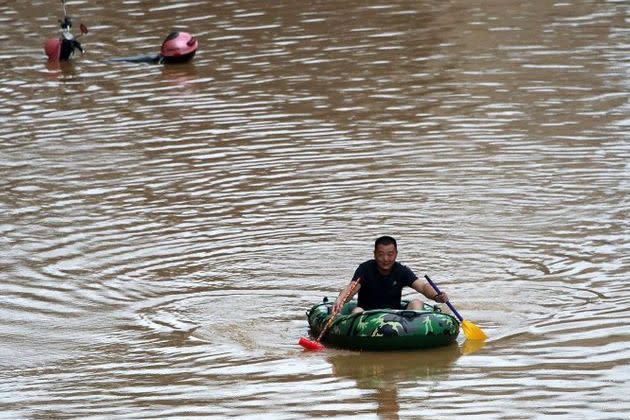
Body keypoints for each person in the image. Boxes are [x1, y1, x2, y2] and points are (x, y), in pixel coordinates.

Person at [333, 236, 448, 314]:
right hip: (368, 316)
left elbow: (422, 287)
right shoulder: (365, 269)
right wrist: (340, 299)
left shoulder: (401, 270)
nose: (385, 259)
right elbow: (351, 288)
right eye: (381, 254)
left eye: (390, 254)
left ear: (396, 254)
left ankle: (413, 335)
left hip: (396, 317)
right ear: (374, 254)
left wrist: (437, 296)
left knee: (417, 303)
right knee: (357, 311)